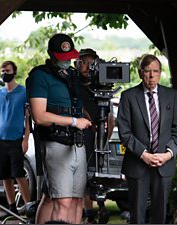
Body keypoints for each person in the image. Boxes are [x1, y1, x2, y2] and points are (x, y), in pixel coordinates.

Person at [28, 33, 92, 224]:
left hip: (77, 143)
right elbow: (39, 116)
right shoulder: (40, 76)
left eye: (69, 57)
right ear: (51, 54)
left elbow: (75, 104)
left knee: (76, 200)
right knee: (62, 201)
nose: (66, 61)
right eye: (62, 58)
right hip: (55, 142)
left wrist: (85, 116)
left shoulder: (72, 75)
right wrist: (73, 121)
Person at [117, 54, 177, 223]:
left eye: (155, 71)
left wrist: (168, 154)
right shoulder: (128, 97)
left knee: (160, 214)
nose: (152, 75)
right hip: (137, 162)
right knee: (137, 215)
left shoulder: (172, 96)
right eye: (147, 71)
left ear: (160, 73)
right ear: (141, 73)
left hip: (164, 163)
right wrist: (144, 155)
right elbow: (125, 133)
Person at [0, 60, 31, 221]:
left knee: (18, 174)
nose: (4, 73)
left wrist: (26, 139)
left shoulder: (24, 93)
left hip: (16, 140)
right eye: (2, 70)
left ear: (14, 72)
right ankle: (12, 208)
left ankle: (29, 206)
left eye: (7, 70)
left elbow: (28, 119)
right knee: (5, 176)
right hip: (0, 139)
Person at [76, 48, 115, 224]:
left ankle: (100, 206)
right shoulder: (72, 85)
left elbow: (110, 117)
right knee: (82, 178)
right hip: (77, 136)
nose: (87, 67)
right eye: (83, 62)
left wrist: (105, 137)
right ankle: (90, 214)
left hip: (97, 138)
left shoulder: (101, 86)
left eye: (91, 63)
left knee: (96, 174)